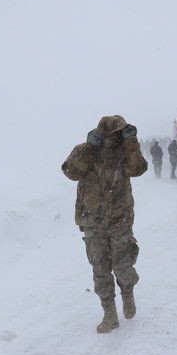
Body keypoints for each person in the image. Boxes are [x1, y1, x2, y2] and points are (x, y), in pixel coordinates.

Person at [61, 115, 148, 333]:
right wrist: (90, 148)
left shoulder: (125, 152)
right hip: (92, 221)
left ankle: (127, 293)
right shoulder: (86, 150)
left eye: (117, 134)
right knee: (100, 270)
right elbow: (71, 172)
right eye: (108, 134)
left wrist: (131, 143)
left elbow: (137, 169)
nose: (111, 139)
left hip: (120, 219)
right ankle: (109, 315)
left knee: (122, 267)